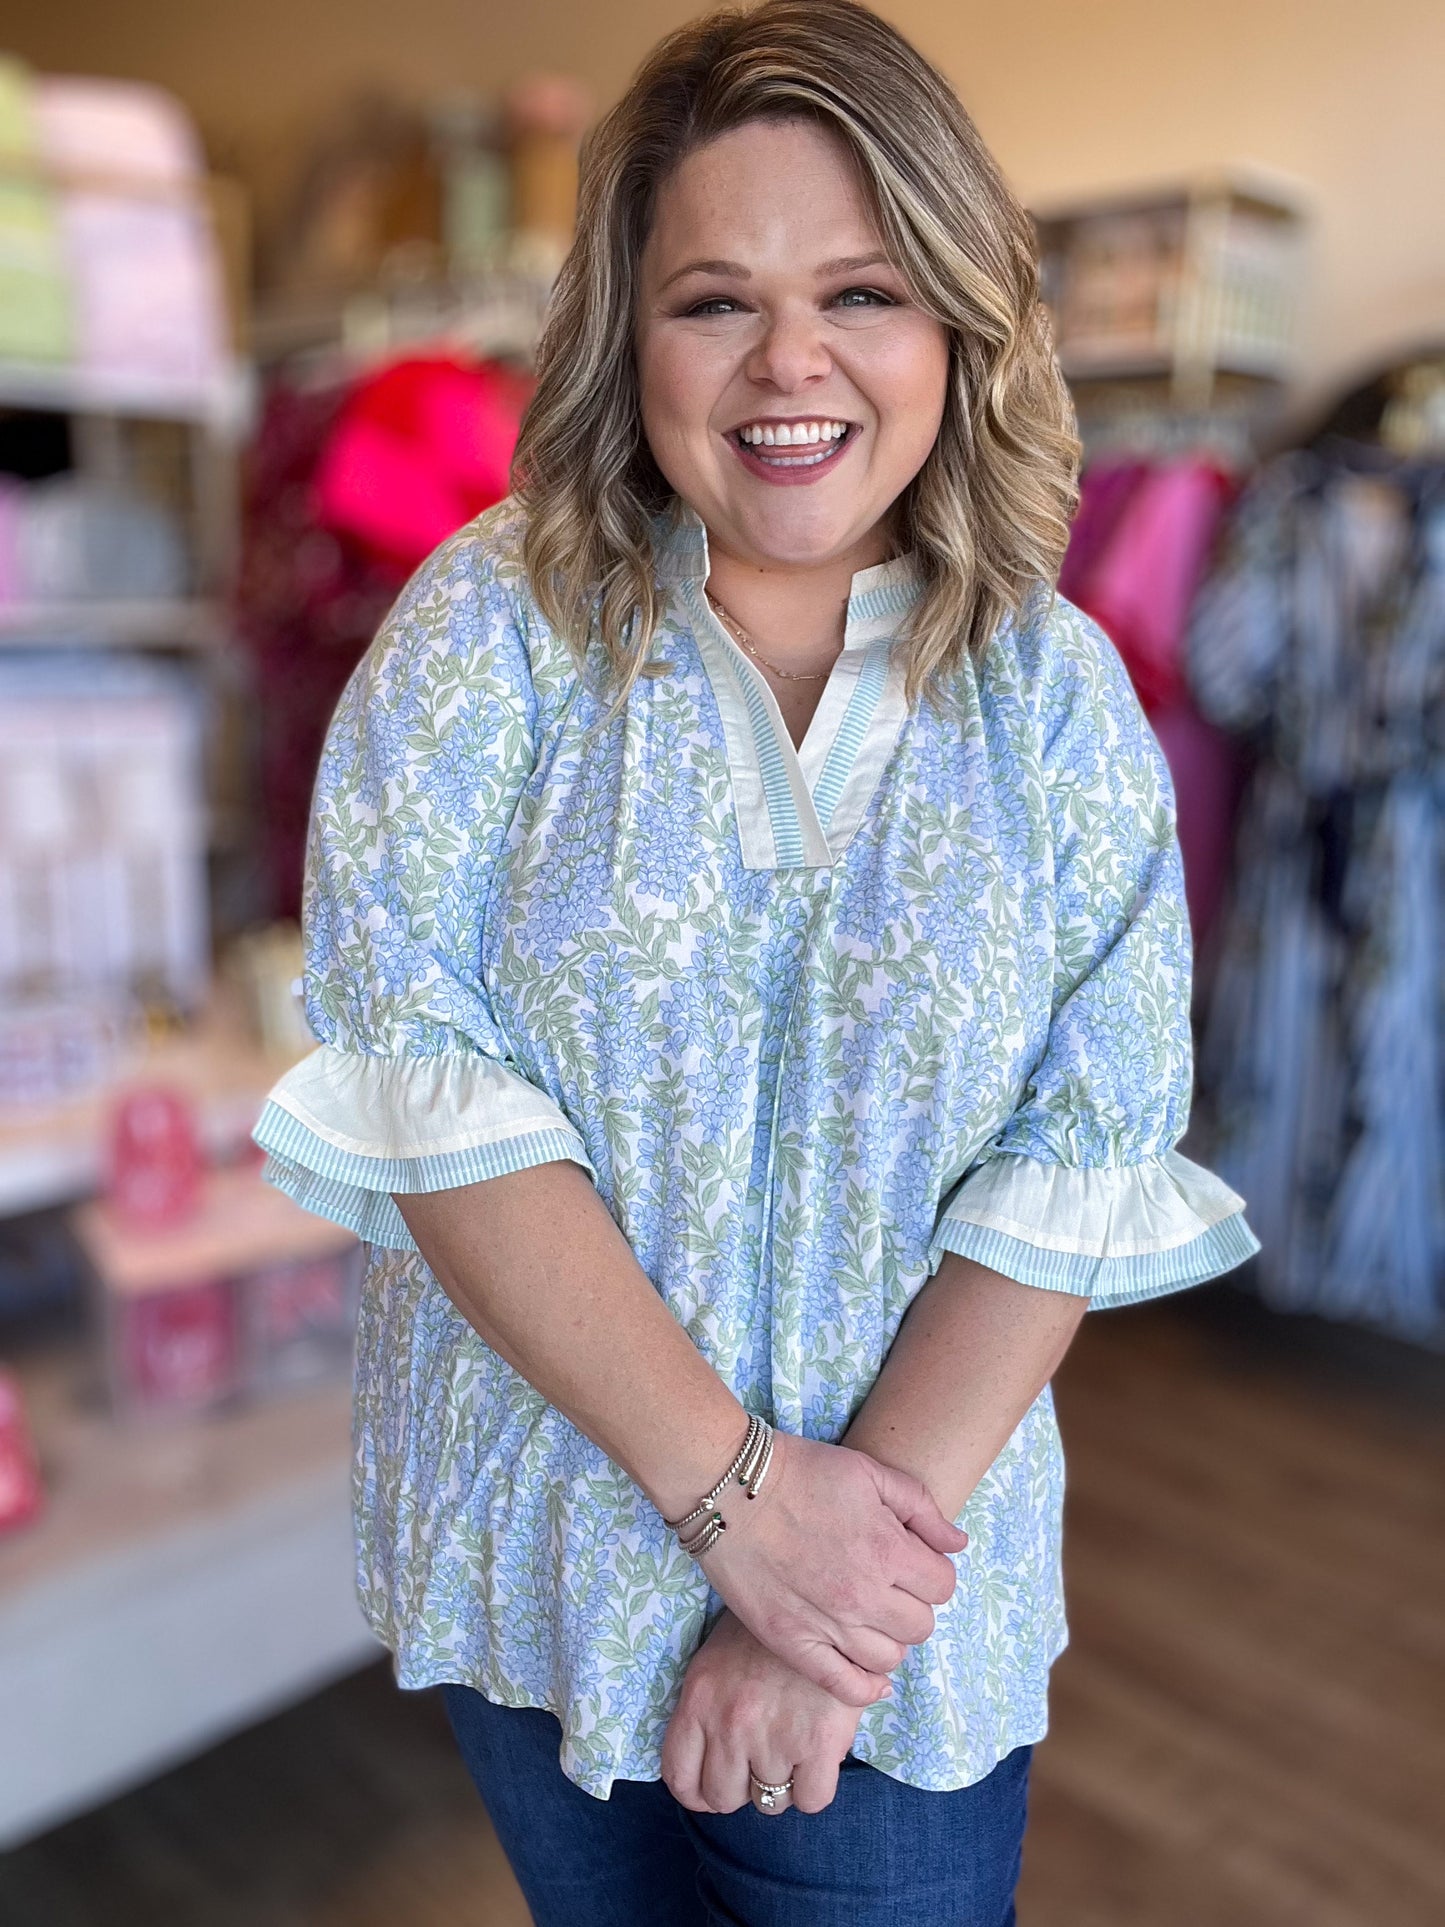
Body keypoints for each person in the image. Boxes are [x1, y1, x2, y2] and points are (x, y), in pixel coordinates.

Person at [254, 4, 1259, 1921]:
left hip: (889, 1612)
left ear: (957, 325)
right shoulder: (490, 632)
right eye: (714, 298)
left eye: (864, 289)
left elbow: (1083, 1144)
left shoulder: (1050, 701)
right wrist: (738, 1505)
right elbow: (422, 1078)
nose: (790, 362)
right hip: (546, 1551)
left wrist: (816, 1600)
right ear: (626, 339)